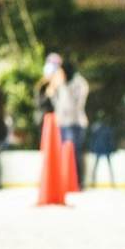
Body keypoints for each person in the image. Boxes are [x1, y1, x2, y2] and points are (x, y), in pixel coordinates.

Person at [41, 53, 90, 183]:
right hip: (62, 122)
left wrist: (62, 85)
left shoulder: (79, 83)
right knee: (64, 153)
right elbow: (57, 103)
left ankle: (77, 181)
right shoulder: (62, 83)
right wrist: (53, 91)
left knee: (75, 154)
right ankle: (66, 180)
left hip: (75, 123)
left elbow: (74, 105)